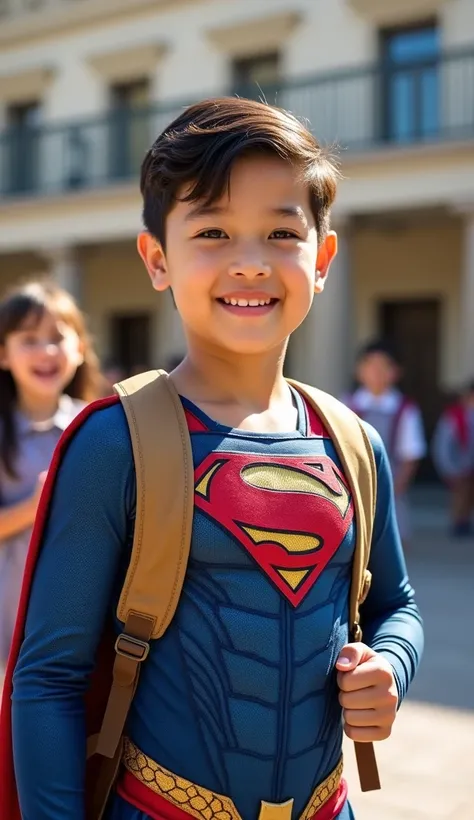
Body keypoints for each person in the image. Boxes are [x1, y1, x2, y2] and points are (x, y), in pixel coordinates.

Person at [7, 98, 423, 820]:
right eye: (213, 231)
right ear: (158, 259)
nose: (251, 262)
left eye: (281, 233)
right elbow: (48, 680)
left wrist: (390, 666)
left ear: (322, 258)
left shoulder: (355, 443)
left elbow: (397, 606)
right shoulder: (115, 445)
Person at [0, 279, 101, 666]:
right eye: (28, 339)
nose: (45, 351)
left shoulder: (101, 427)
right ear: (4, 354)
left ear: (79, 348)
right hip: (9, 619)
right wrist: (33, 507)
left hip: (78, 617)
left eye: (57, 337)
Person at [343, 340, 426, 545]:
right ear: (360, 371)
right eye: (371, 366)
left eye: (384, 367)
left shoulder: (405, 409)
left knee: (391, 545)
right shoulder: (345, 406)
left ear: (396, 372)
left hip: (391, 487)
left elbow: (410, 454)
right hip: (350, 485)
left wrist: (395, 489)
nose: (376, 372)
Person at [432, 380, 474, 536]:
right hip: (460, 464)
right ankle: (458, 522)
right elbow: (443, 444)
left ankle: (466, 520)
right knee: (460, 493)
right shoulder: (454, 416)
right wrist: (449, 467)